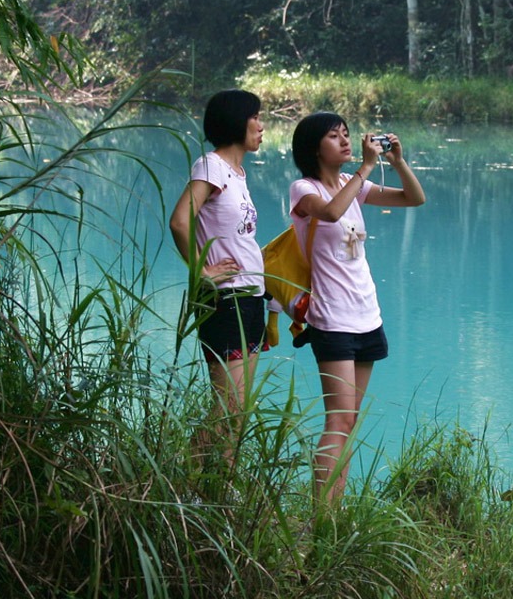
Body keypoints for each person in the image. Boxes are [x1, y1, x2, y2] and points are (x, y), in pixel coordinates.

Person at [288, 112, 426, 501]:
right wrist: (367, 166)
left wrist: (397, 161)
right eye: (335, 137)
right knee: (337, 421)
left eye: (347, 134)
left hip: (367, 315)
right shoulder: (303, 189)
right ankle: (322, 517)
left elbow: (414, 198)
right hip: (332, 319)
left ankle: (335, 509)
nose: (346, 142)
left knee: (349, 422)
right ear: (315, 148)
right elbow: (330, 212)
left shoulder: (352, 184)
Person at [168, 89, 267, 470]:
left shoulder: (236, 174)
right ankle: (187, 479)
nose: (261, 125)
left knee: (238, 411)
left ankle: (221, 490)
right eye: (255, 117)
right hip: (225, 301)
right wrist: (201, 270)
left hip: (250, 298)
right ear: (236, 122)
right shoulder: (210, 165)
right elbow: (180, 221)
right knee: (228, 409)